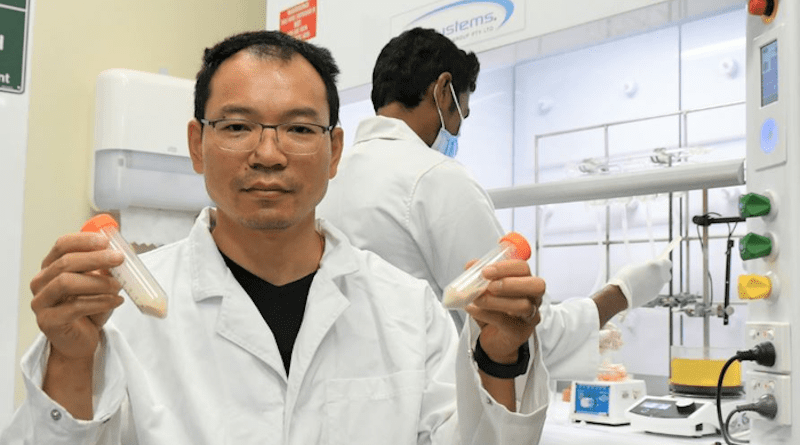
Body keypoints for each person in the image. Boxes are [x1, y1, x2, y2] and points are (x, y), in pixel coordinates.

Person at [0, 31, 552, 444]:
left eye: (299, 129)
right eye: (237, 127)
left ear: (335, 151)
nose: (268, 154)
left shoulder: (407, 309)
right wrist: (70, 360)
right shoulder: (119, 316)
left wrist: (500, 359)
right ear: (197, 145)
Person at [317, 27, 672, 381]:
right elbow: (519, 327)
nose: (456, 132)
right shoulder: (435, 177)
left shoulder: (329, 177)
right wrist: (620, 294)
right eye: (462, 114)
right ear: (443, 91)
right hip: (422, 410)